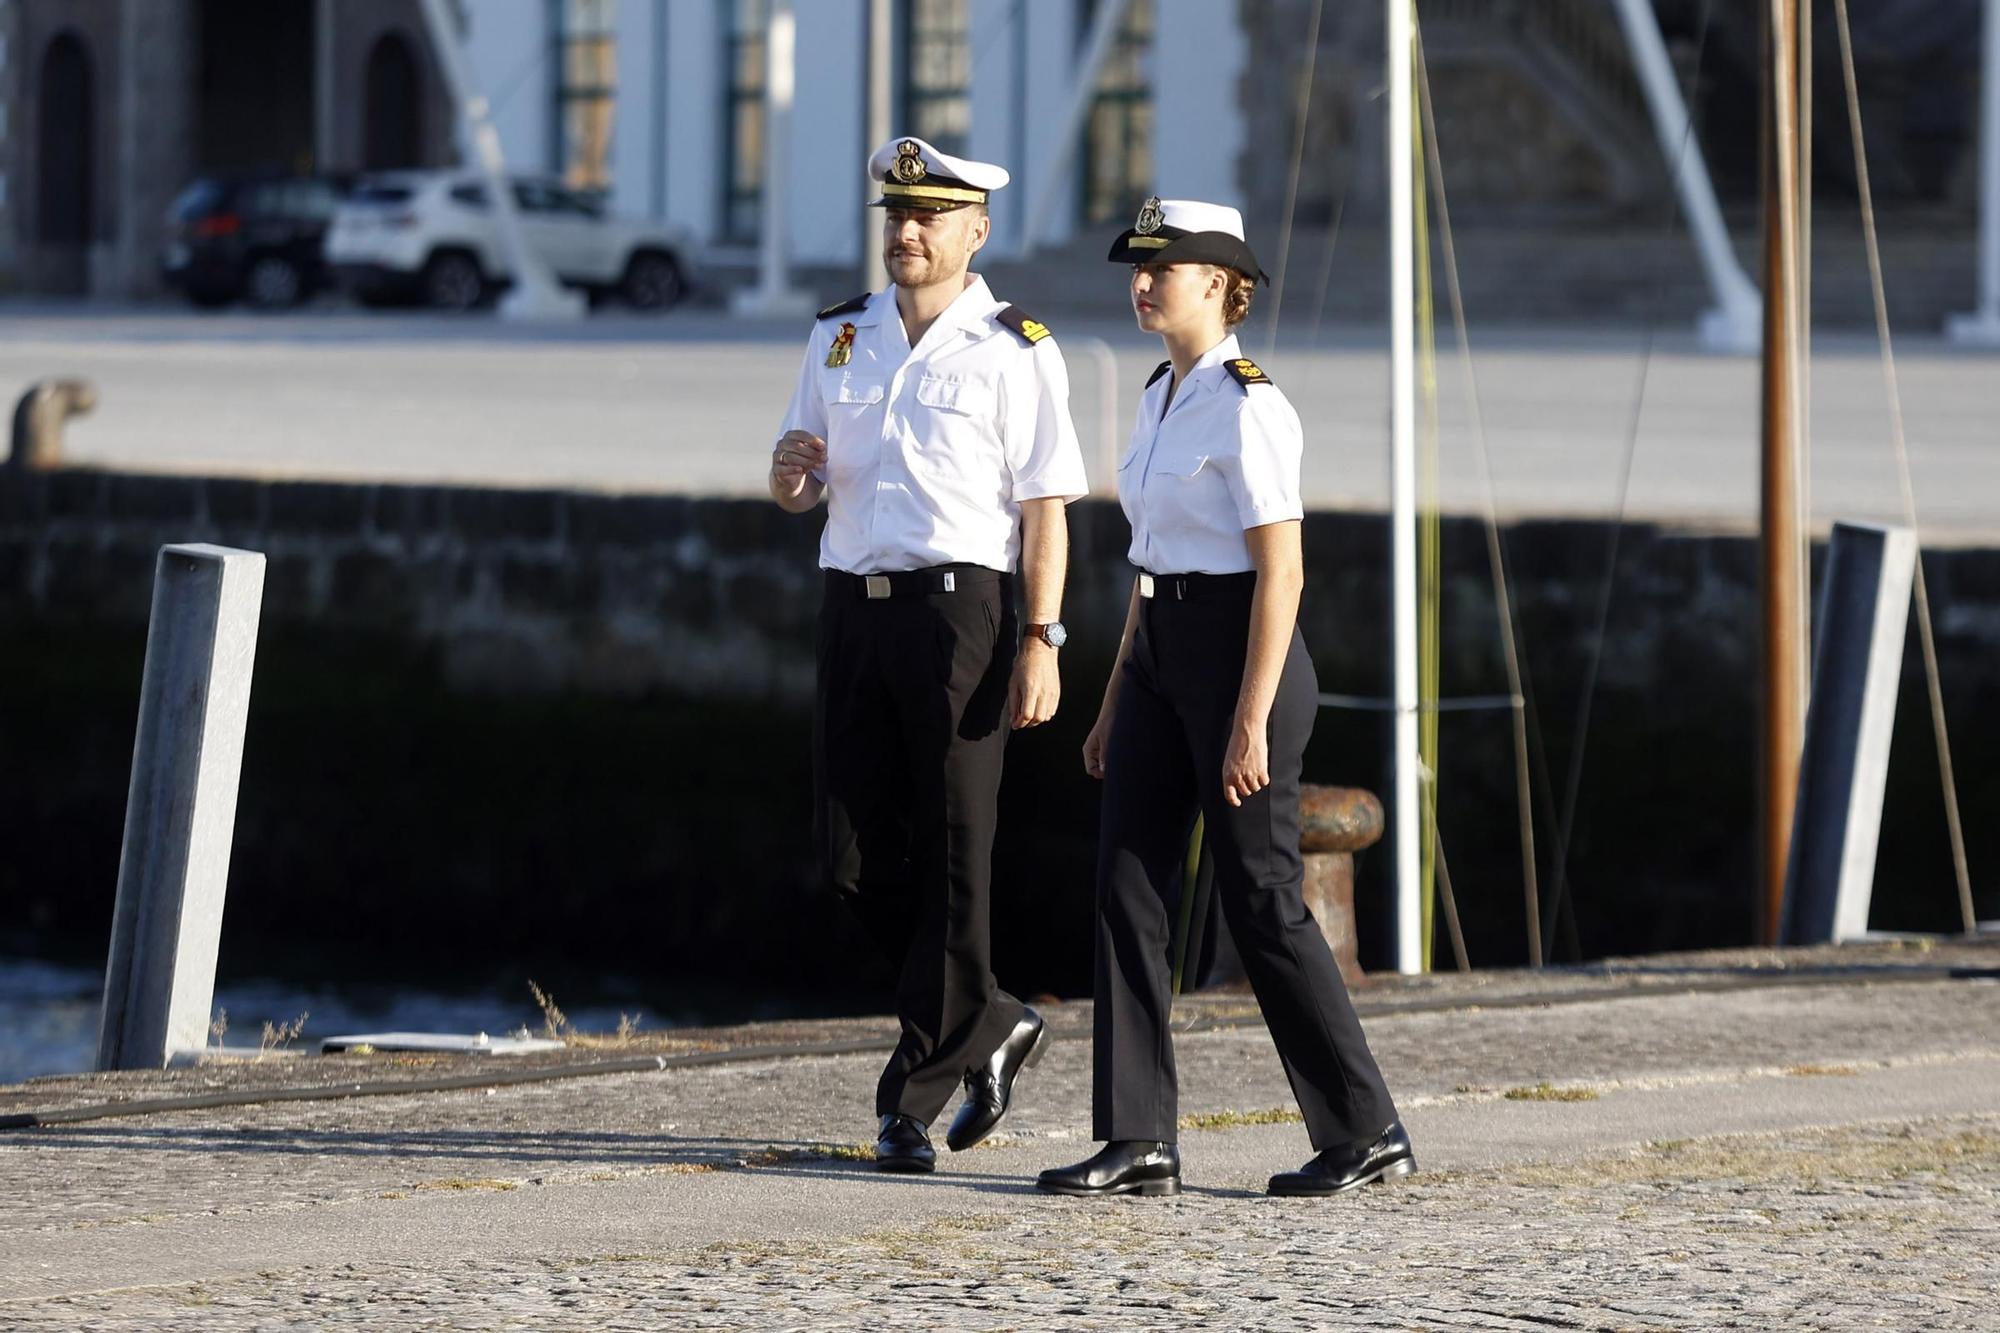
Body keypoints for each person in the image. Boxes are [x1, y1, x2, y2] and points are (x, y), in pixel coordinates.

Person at [1037, 198, 1414, 1199]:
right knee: (1124, 882)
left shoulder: (1250, 403)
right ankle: (1135, 1137)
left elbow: (1280, 573)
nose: (1142, 284)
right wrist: (1117, 693)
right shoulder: (1159, 393)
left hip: (1243, 652)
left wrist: (1246, 716)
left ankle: (1363, 1125)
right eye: (1137, 269)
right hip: (1160, 651)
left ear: (1217, 282)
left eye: (1162, 269)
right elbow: (1148, 561)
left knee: (1260, 900)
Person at [768, 137, 1089, 1173]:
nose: (907, 234)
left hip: (964, 613)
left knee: (956, 852)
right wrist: (788, 477)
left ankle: (908, 1101)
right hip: (852, 606)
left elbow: (1044, 511)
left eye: (930, 218)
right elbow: (799, 480)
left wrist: (1041, 639)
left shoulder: (1015, 346)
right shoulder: (838, 335)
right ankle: (988, 1016)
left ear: (973, 230)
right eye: (896, 216)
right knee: (848, 857)